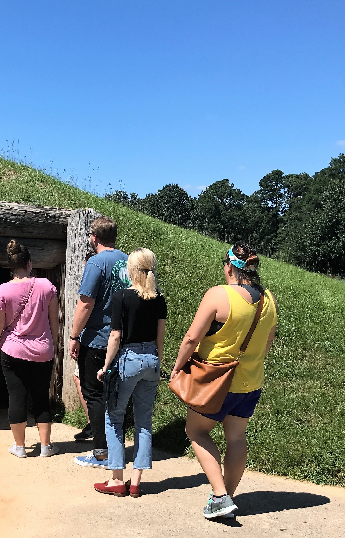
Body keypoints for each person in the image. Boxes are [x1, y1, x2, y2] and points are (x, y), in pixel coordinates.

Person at [170, 242, 277, 519]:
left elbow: (192, 338)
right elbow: (266, 344)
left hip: (215, 380)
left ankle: (219, 495)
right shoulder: (269, 300)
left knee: (196, 431)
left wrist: (178, 366)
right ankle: (227, 496)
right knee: (236, 436)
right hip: (251, 382)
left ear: (229, 266)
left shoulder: (219, 295)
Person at [93, 248, 165, 497]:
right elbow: (160, 338)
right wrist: (158, 362)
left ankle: (116, 479)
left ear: (131, 270)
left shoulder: (121, 297)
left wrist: (105, 366)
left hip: (129, 359)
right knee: (144, 421)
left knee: (114, 417)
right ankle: (135, 481)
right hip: (152, 360)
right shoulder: (159, 299)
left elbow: (115, 336)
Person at [0, 240, 60, 458]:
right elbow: (54, 319)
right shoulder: (46, 286)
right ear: (29, 263)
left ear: (10, 265)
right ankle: (45, 447)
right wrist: (52, 343)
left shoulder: (2, 290)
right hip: (43, 350)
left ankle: (20, 447)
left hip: (13, 350)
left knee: (17, 395)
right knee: (41, 396)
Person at [70, 216, 130, 468]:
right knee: (115, 395)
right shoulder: (130, 262)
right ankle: (116, 447)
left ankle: (101, 452)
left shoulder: (96, 263)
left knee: (93, 395)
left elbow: (86, 303)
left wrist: (74, 336)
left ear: (94, 237)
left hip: (97, 339)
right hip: (124, 339)